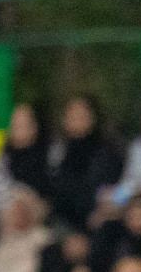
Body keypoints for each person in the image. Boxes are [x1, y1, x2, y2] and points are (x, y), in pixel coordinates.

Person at [0, 103, 50, 246]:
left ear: (35, 126)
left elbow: (53, 201)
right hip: (0, 237)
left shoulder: (51, 160)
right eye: (16, 125)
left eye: (25, 124)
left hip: (39, 235)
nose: (20, 131)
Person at [47, 95, 124, 233]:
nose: (77, 118)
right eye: (72, 114)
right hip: (65, 227)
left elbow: (120, 188)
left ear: (93, 117)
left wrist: (106, 211)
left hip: (102, 222)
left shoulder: (110, 151)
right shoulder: (56, 154)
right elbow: (54, 196)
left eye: (82, 114)